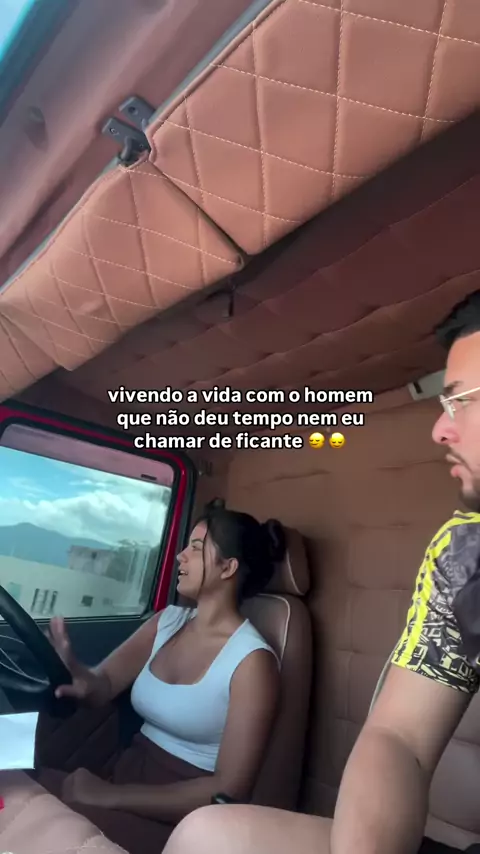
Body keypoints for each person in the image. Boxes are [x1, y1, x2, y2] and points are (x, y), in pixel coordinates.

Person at [160, 290, 480, 854]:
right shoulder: (464, 553)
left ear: (229, 567)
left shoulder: (254, 655)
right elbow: (399, 737)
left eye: (462, 401)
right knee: (206, 836)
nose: (439, 429)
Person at [35, 505, 286, 854]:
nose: (181, 556)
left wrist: (110, 796)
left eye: (196, 548)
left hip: (182, 819)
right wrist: (77, 673)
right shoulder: (167, 621)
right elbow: (104, 683)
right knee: (19, 787)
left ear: (228, 567)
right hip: (125, 777)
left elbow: (228, 790)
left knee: (42, 821)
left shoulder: (252, 661)